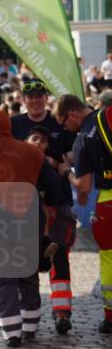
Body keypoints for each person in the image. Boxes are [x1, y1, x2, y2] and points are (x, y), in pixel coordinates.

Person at [0, 107, 62, 347]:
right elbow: (53, 183)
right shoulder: (30, 152)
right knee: (27, 269)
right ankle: (30, 325)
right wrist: (46, 202)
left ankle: (11, 332)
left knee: (2, 274)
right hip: (28, 219)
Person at [26, 126, 77, 334]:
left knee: (59, 260)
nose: (39, 143)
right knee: (28, 266)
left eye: (43, 141)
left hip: (56, 214)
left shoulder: (55, 160)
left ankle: (62, 312)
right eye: (34, 139)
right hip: (28, 219)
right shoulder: (20, 161)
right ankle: (29, 314)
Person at [72, 104, 112, 333]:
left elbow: (84, 185)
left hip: (107, 201)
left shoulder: (84, 137)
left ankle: (110, 317)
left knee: (108, 258)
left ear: (71, 114)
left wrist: (67, 171)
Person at [10, 79, 62, 147]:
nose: (35, 100)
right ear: (24, 100)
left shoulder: (59, 120)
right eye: (30, 97)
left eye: (39, 96)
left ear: (46, 98)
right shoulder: (14, 123)